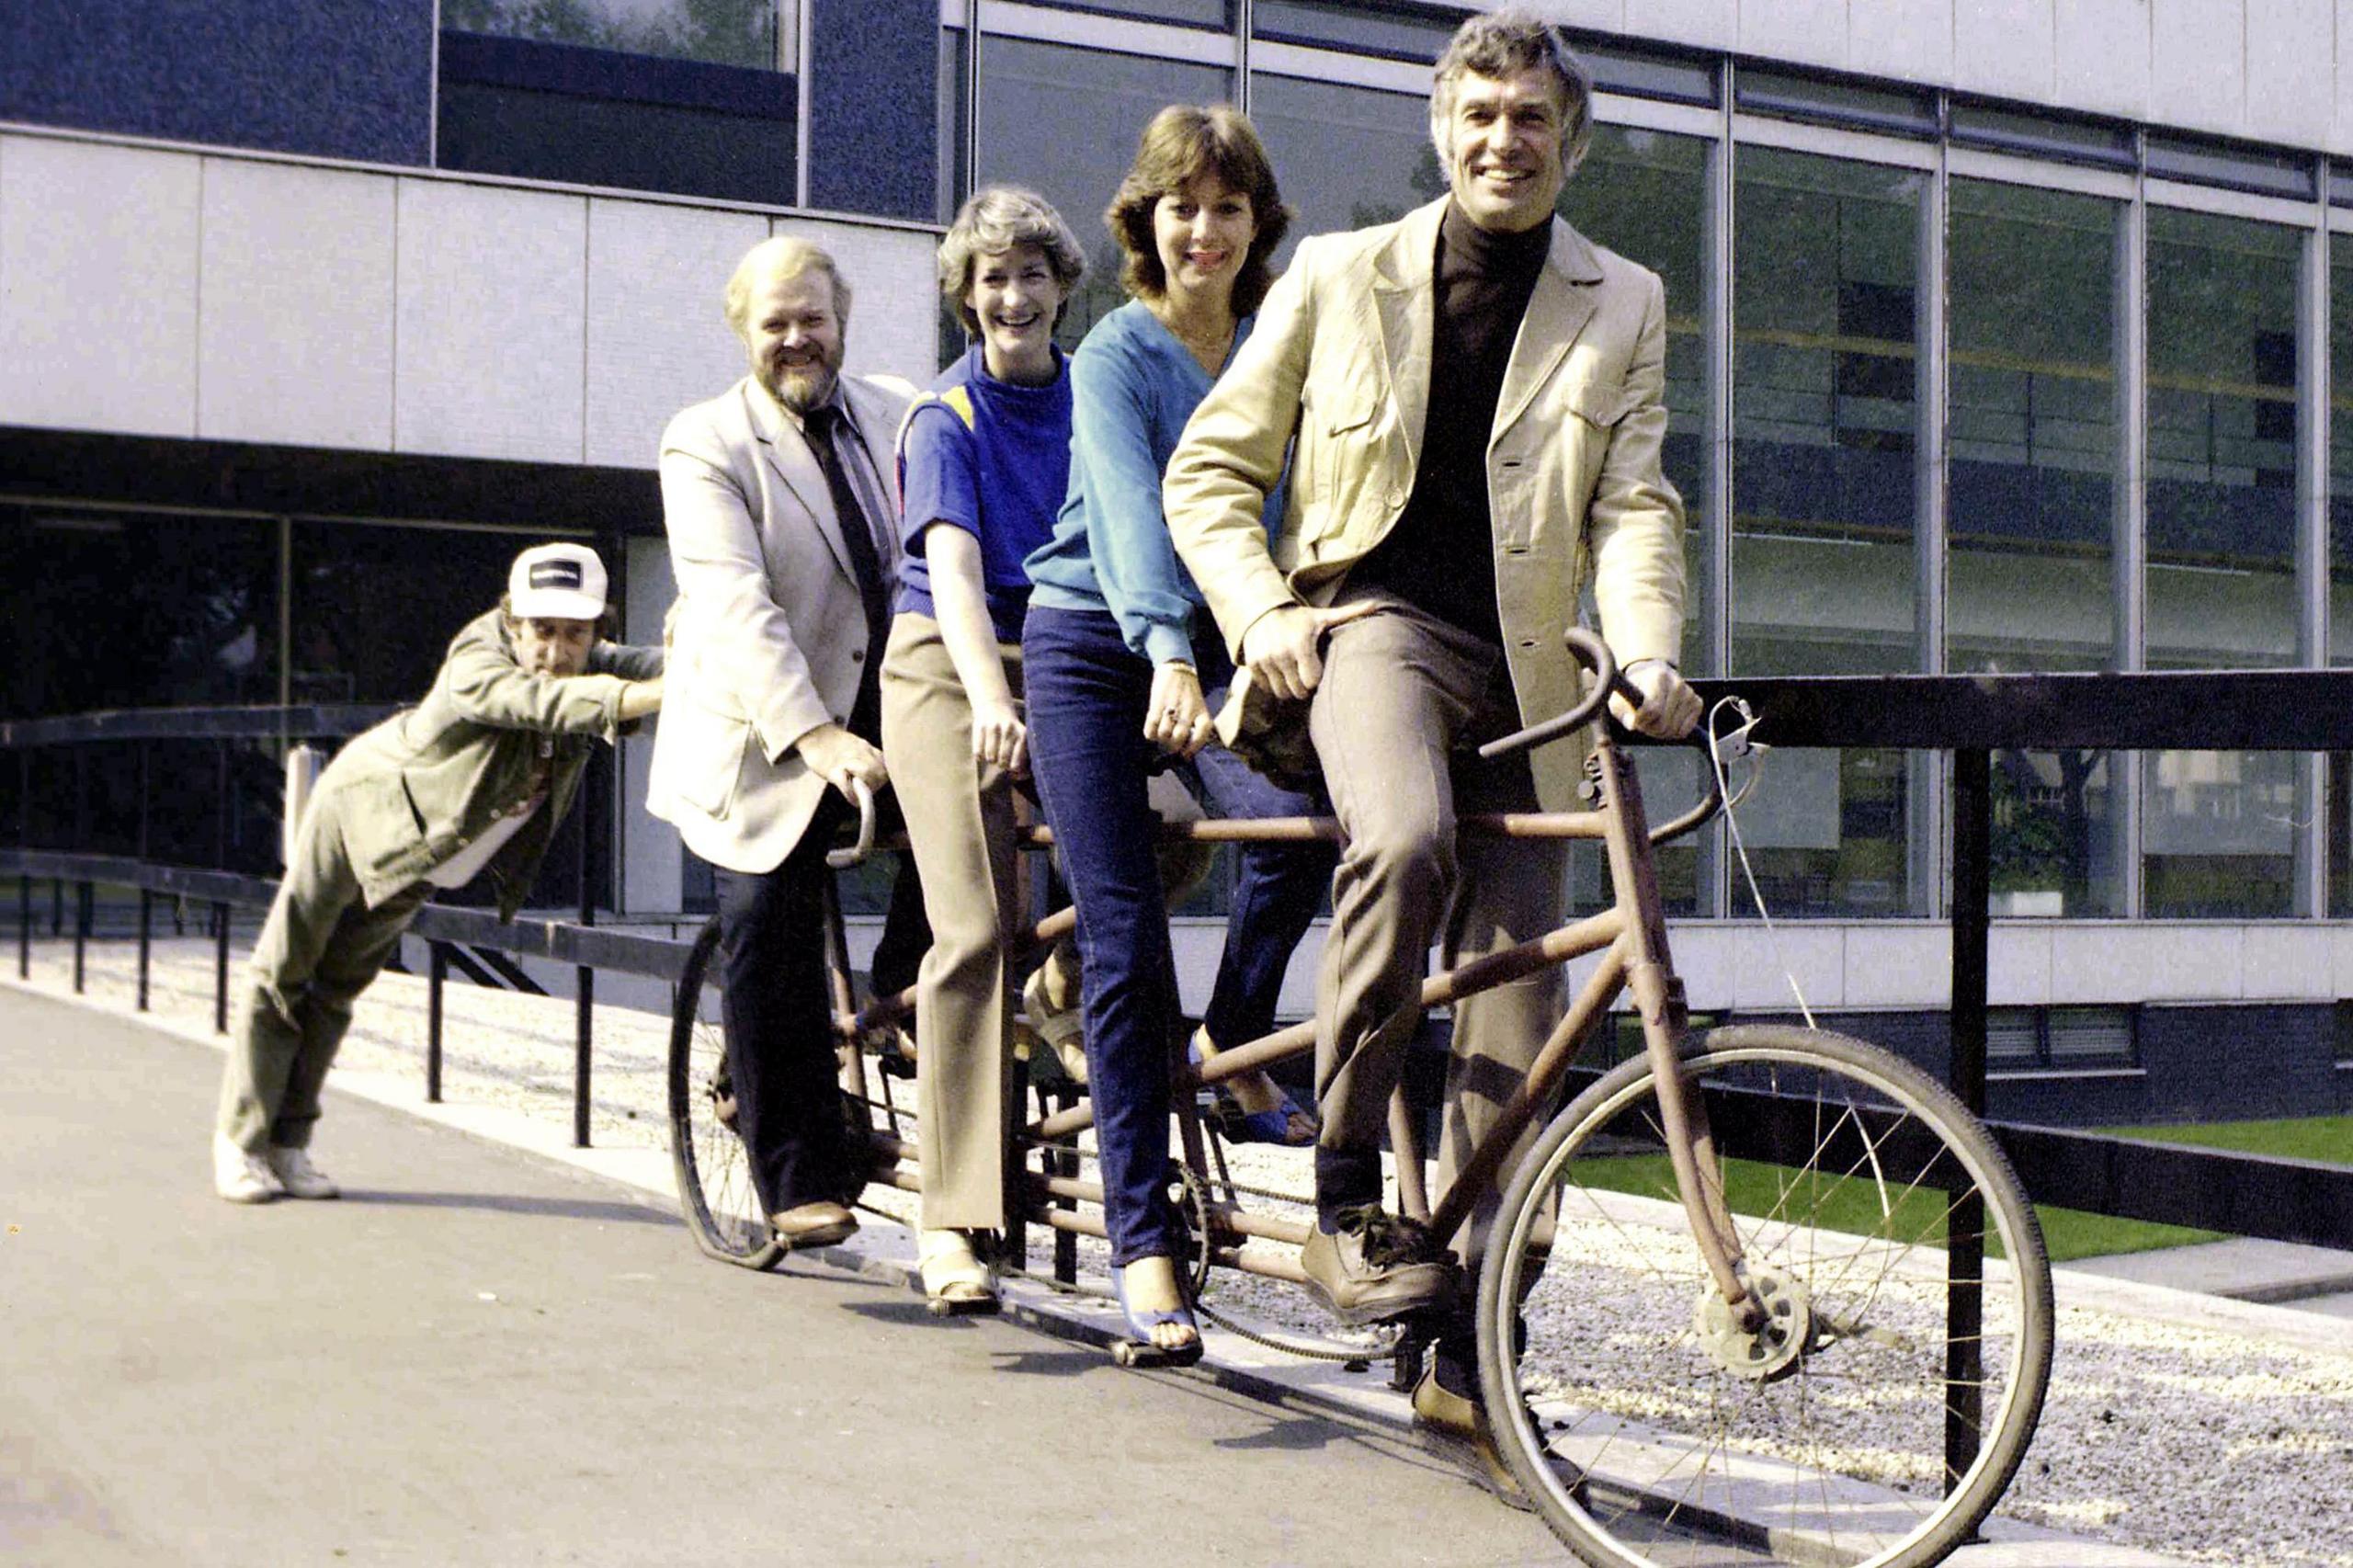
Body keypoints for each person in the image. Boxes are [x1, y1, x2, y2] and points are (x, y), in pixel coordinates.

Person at [1163, 10, 1702, 1492]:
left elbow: (1636, 505)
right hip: (1370, 629)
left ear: (1567, 137)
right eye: (1478, 115)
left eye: (1530, 118)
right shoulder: (1342, 274)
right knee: (1399, 840)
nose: (1502, 141)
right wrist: (1263, 607)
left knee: (1525, 1010)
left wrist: (1647, 647)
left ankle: (1467, 1349)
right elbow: (1210, 471)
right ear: (1442, 126)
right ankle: (1343, 1196)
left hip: (1530, 674)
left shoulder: (1624, 297)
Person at [1022, 105, 1331, 1363]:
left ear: (1258, 223)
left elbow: (1307, 499)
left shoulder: (1276, 343)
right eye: (1181, 206)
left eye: (1227, 206)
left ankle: (1232, 1035)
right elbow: (1137, 512)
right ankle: (1146, 1251)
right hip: (1097, 640)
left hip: (1225, 641)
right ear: (1145, 220)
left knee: (1304, 834)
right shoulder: (1113, 354)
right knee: (1124, 938)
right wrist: (1160, 648)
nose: (1203, 229)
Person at [213, 543, 664, 1202]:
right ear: (513, 622)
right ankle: (239, 1143)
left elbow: (649, 668)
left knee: (337, 991)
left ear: (598, 631)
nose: (556, 650)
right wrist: (666, 685)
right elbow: (547, 702)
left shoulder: (585, 660)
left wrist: (705, 655)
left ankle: (288, 1147)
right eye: (541, 631)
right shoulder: (476, 661)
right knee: (284, 973)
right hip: (358, 815)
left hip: (426, 854)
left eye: (576, 633)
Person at [648, 235, 922, 1251]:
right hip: (764, 735)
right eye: (776, 324)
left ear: (841, 321)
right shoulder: (706, 440)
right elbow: (732, 604)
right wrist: (813, 733)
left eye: (813, 318)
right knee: (769, 914)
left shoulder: (896, 412)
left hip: (888, 713)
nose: (797, 339)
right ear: (743, 333)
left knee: (992, 837)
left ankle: (892, 1006)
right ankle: (796, 1174)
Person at [880, 187, 1086, 1310]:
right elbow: (952, 569)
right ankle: (952, 1216)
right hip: (941, 658)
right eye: (990, 278)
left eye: (1029, 274)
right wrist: (982, 695)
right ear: (967, 299)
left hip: (1053, 649)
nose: (1012, 296)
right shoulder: (942, 416)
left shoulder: (1088, 397)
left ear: (1061, 286)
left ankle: (1055, 989)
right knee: (970, 928)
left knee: (1167, 828)